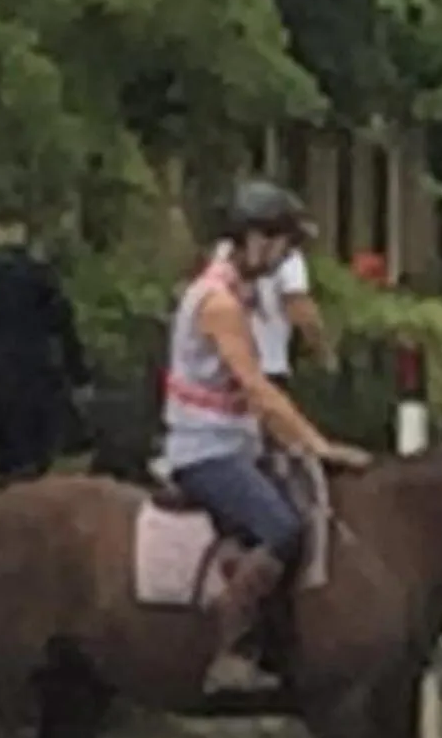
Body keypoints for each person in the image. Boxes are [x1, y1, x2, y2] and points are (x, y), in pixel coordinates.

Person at [159, 180, 372, 689]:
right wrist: (316, 444)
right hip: (205, 450)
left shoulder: (240, 294)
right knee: (283, 529)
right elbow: (257, 388)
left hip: (237, 442)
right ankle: (232, 651)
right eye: (283, 243)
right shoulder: (219, 303)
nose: (286, 256)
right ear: (255, 239)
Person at [0, 217, 92, 482]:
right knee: (38, 452)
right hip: (37, 370)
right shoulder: (43, 278)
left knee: (9, 451)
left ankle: (12, 483)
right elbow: (64, 326)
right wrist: (79, 376)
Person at [207, 201, 325, 389]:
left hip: (226, 365)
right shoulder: (290, 259)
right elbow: (299, 308)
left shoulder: (224, 251)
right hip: (268, 365)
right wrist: (322, 352)